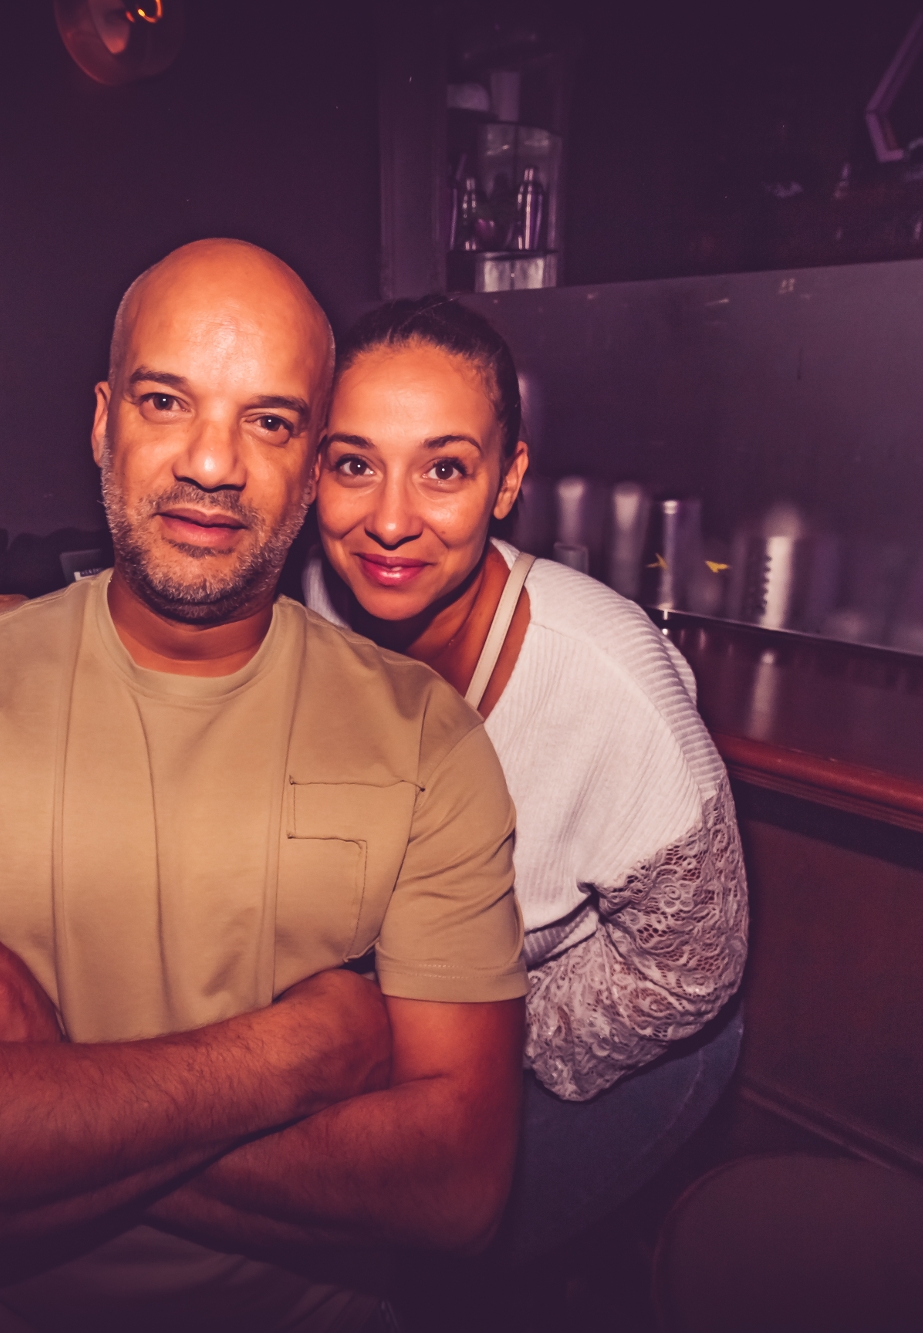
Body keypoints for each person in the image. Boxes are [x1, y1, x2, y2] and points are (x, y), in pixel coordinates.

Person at [0, 241, 529, 1332]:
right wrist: (291, 1057)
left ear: (315, 459)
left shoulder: (425, 740)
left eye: (269, 421)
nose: (212, 463)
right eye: (166, 401)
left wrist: (36, 1090)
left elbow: (455, 1190)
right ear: (101, 422)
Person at [300, 296, 749, 1263]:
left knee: (421, 1268)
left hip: (617, 1042)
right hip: (410, 1018)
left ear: (507, 480)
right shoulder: (307, 612)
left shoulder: (610, 681)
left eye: (444, 469)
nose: (389, 521)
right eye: (354, 464)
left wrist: (442, 1032)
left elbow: (691, 971)